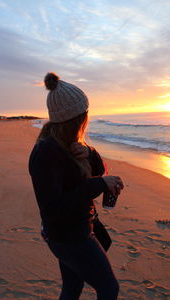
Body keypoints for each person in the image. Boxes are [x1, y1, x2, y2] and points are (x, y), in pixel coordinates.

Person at [29, 72, 124, 300]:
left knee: (72, 287)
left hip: (75, 232)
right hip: (70, 238)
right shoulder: (47, 152)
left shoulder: (68, 144)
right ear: (77, 118)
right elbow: (52, 210)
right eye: (85, 114)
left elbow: (99, 170)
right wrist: (98, 184)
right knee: (109, 289)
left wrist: (90, 153)